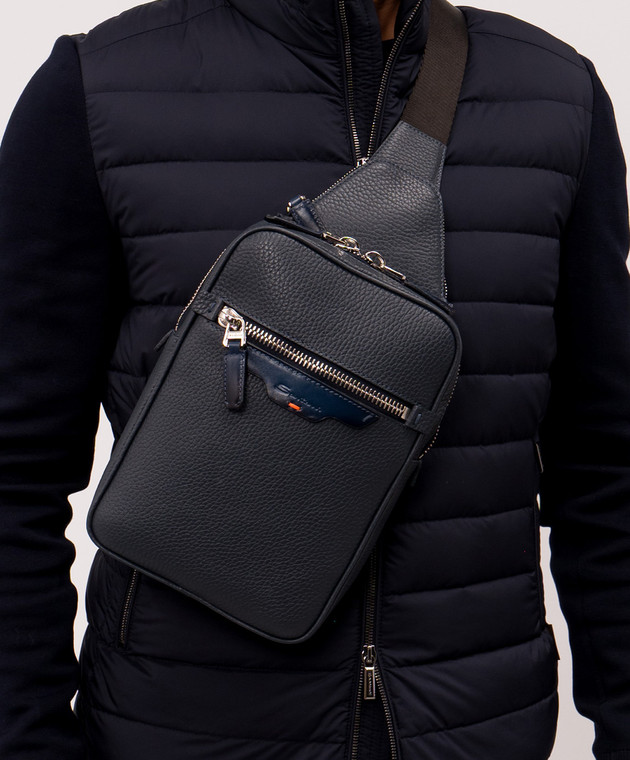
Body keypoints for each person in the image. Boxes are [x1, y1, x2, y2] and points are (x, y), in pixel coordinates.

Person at [0, 0, 628, 758]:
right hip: (182, 733)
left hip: (476, 730)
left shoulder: (557, 99)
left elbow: (606, 470)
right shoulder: (99, 89)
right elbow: (16, 469)